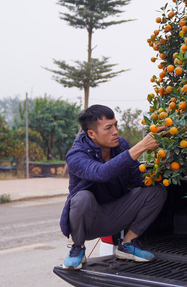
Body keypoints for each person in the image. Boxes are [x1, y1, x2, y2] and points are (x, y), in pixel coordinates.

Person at [59, 105, 167, 269]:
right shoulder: (76, 155)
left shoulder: (120, 145)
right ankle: (77, 248)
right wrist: (141, 146)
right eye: (108, 128)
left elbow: (137, 177)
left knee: (156, 191)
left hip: (117, 214)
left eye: (116, 125)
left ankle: (128, 243)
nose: (115, 131)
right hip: (90, 221)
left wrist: (165, 169)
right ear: (91, 134)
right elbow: (101, 173)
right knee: (82, 198)